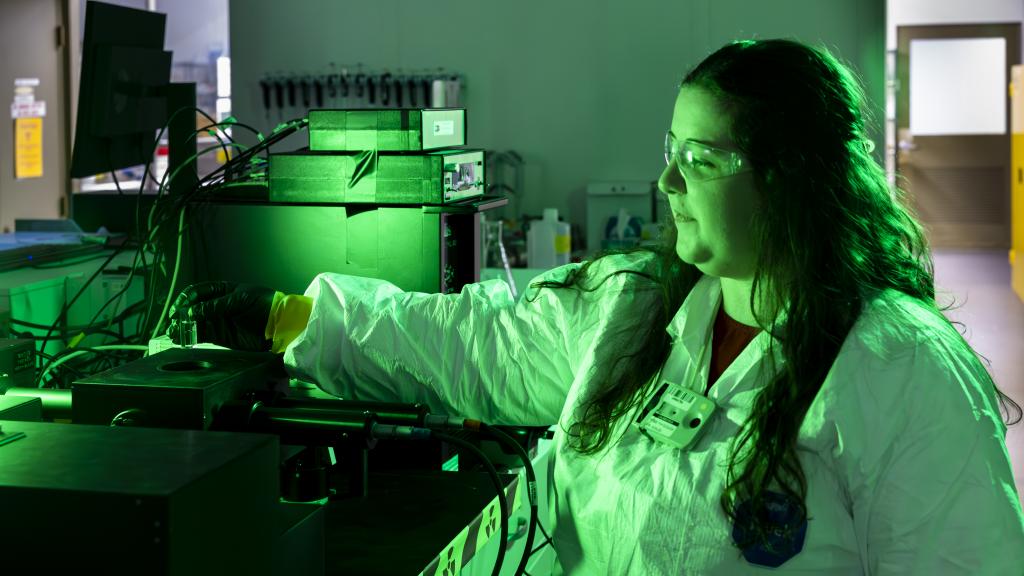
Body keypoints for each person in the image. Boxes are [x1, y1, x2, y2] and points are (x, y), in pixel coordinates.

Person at [169, 39, 1024, 574]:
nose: (668, 183)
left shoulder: (901, 368)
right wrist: (287, 317)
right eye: (669, 150)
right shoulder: (636, 312)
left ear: (792, 179)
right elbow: (471, 343)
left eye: (702, 157)